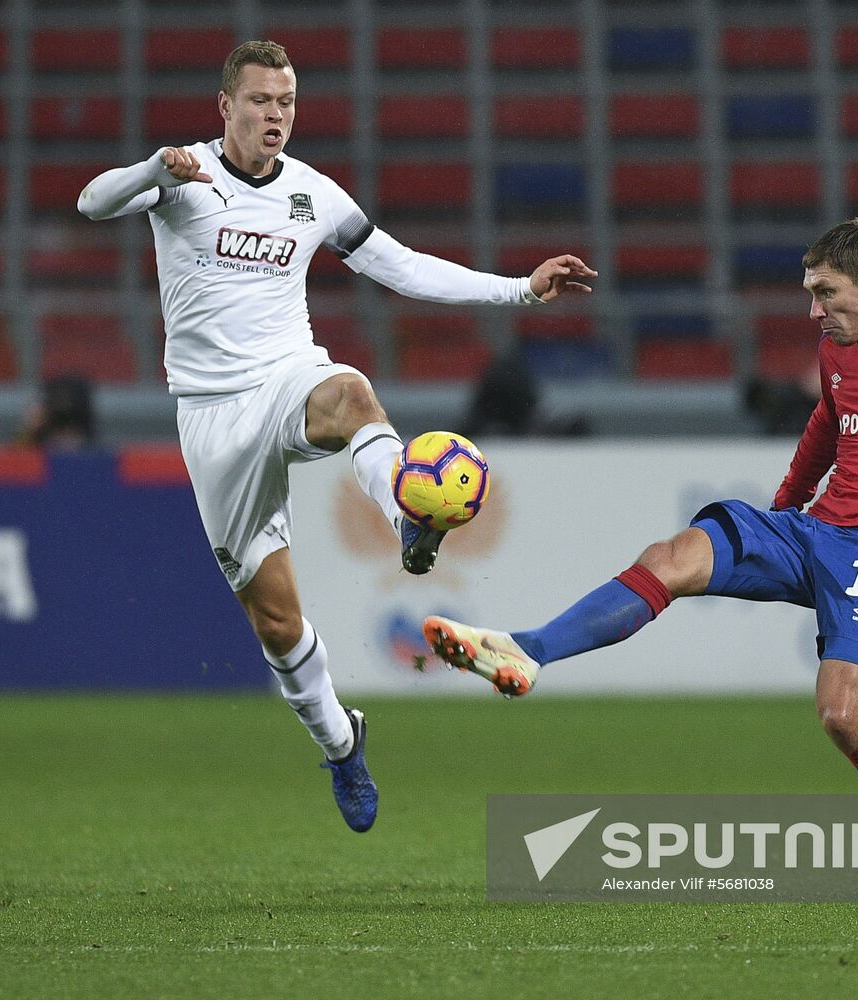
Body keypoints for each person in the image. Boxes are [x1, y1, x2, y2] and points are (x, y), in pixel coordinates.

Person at [423, 216, 858, 898]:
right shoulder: (837, 347)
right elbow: (828, 425)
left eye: (826, 293)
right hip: (813, 530)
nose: (814, 311)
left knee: (842, 717)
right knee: (673, 554)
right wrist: (787, 503)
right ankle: (528, 651)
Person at [76, 40, 595, 833]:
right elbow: (91, 203)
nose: (274, 115)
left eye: (285, 102)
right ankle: (340, 740)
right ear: (226, 107)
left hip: (290, 377)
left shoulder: (312, 193)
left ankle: (406, 519)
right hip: (212, 417)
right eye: (259, 101)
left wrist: (521, 290)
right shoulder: (183, 177)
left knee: (350, 389)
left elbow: (403, 266)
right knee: (276, 624)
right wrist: (153, 168)